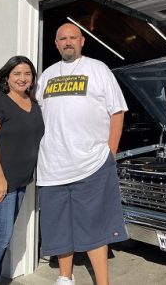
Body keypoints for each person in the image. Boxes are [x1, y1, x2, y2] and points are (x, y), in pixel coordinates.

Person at [37, 23, 128, 285]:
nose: (68, 42)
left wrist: (110, 151)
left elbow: (117, 112)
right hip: (52, 166)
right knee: (58, 226)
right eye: (62, 38)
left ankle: (102, 282)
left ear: (82, 41)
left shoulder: (98, 69)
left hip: (91, 164)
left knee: (94, 227)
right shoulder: (47, 75)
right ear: (56, 44)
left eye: (72, 38)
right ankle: (65, 277)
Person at [0, 56, 45, 285]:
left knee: (2, 238)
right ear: (7, 77)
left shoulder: (33, 104)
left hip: (20, 182)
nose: (22, 78)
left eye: (27, 74)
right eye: (17, 74)